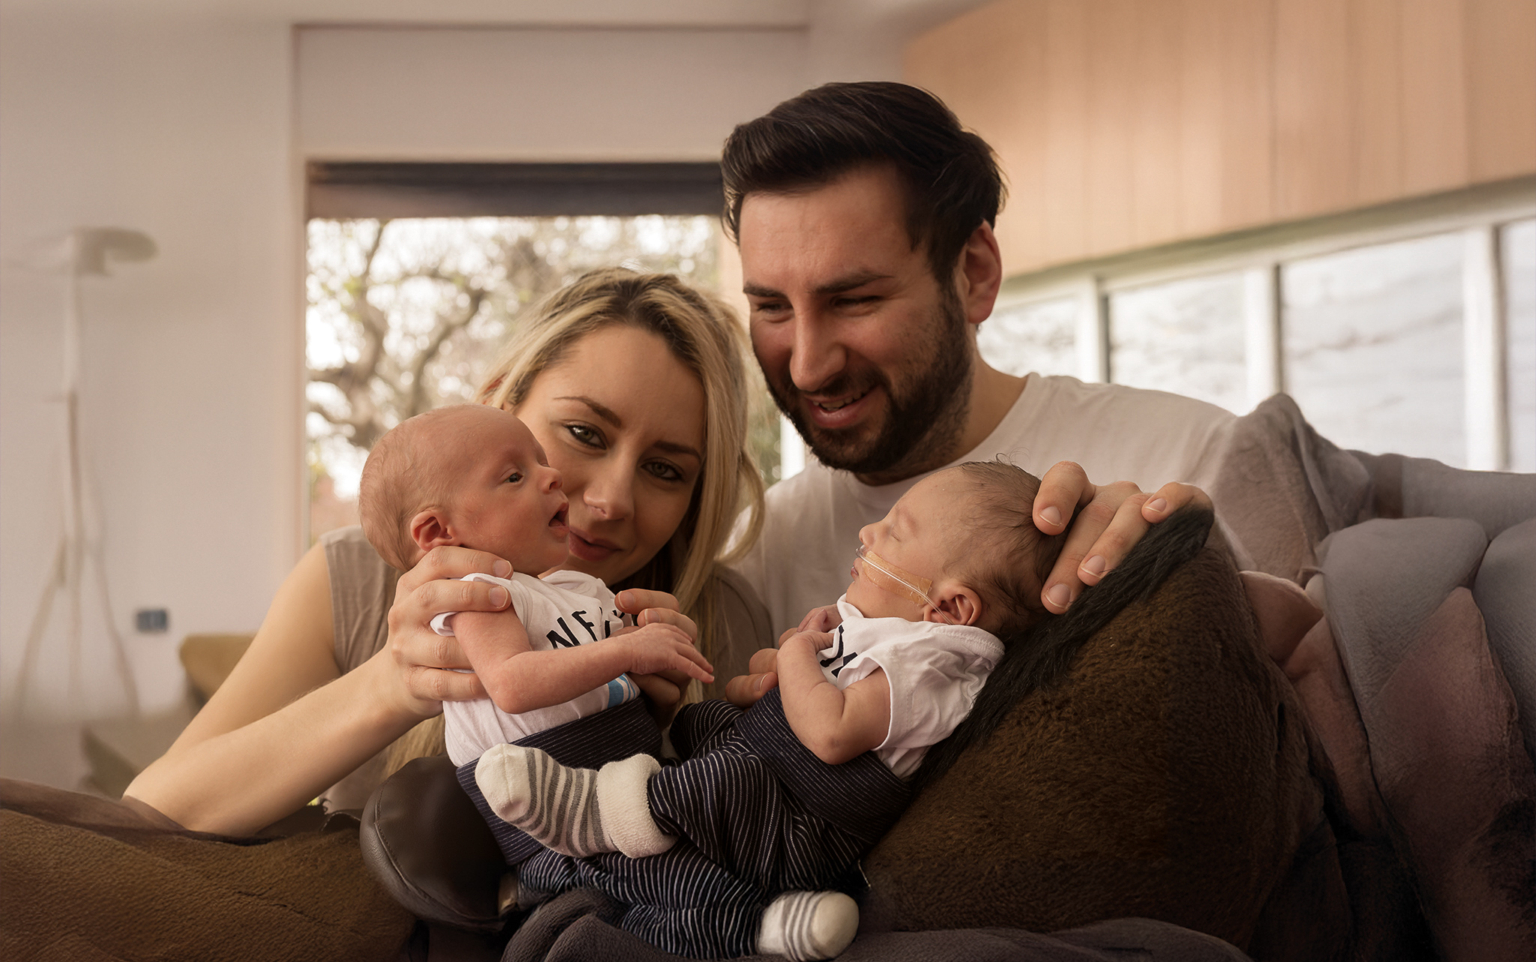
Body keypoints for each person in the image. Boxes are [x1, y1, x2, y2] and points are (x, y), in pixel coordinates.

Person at [122, 268, 770, 837]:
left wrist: (650, 727)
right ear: (499, 405)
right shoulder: (350, 578)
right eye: (583, 433)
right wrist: (392, 686)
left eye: (665, 469)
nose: (611, 499)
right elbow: (157, 810)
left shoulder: (713, 618)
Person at [716, 82, 1228, 685]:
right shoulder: (761, 553)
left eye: (854, 300)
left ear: (974, 274)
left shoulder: (1194, 456)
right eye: (772, 307)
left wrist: (1204, 584)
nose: (807, 367)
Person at [467, 460, 1066, 962]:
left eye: (896, 532)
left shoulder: (935, 666)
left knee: (722, 782)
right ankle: (766, 922)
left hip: (801, 820)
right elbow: (815, 696)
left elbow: (830, 734)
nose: (869, 533)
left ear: (952, 606)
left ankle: (595, 812)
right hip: (780, 786)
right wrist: (783, 678)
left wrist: (797, 654)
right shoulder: (903, 635)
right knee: (704, 726)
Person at [355, 404, 714, 771]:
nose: (552, 476)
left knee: (717, 721)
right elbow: (511, 683)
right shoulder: (480, 594)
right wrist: (629, 649)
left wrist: (651, 650)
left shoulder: (564, 587)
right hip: (556, 778)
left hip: (612, 756)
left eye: (542, 462)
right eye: (514, 477)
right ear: (439, 533)